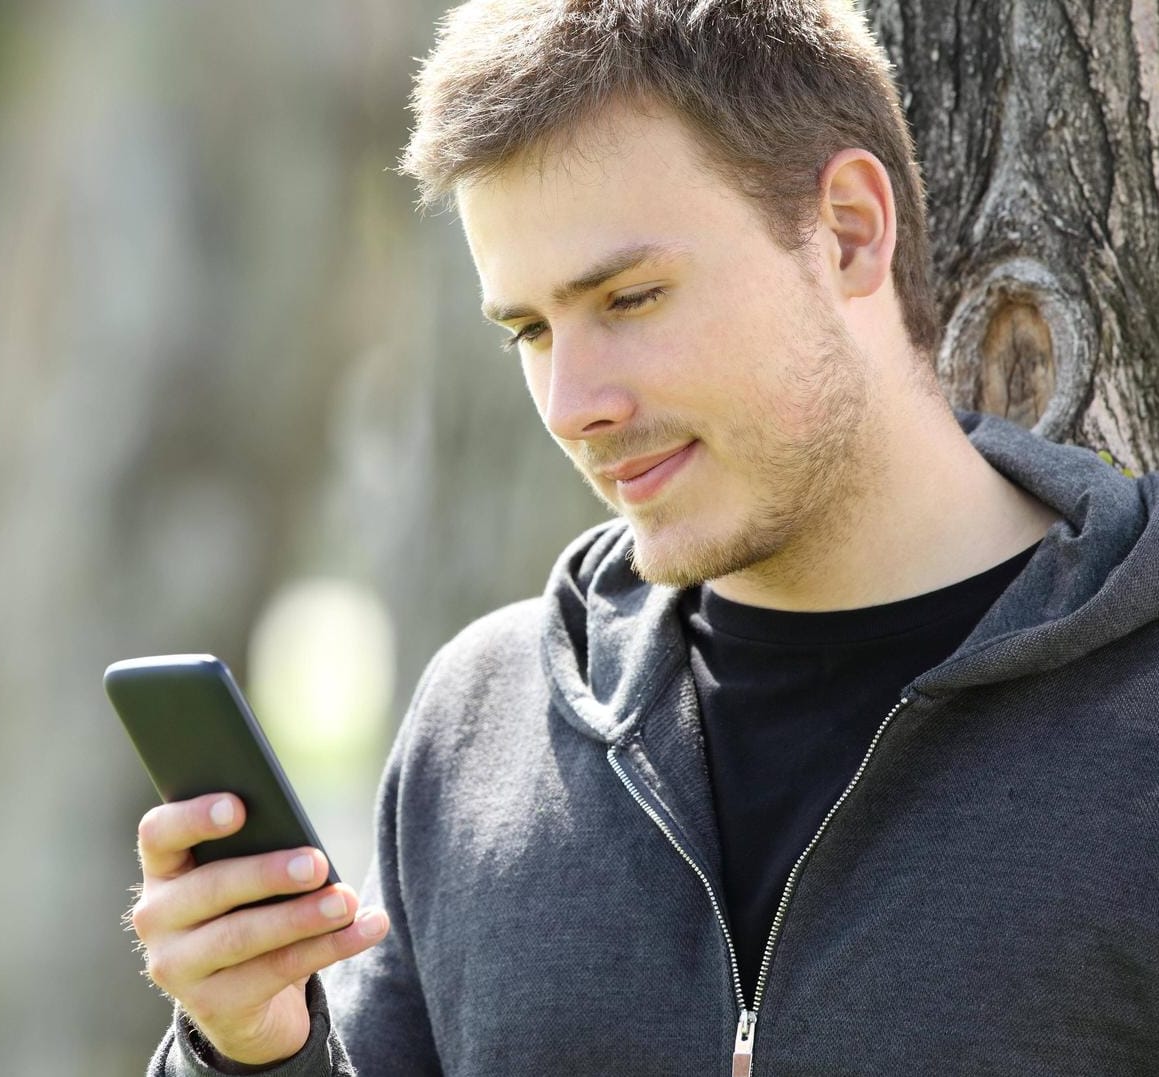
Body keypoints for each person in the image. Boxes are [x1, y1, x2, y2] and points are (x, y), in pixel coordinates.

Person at [130, 1, 1159, 1073]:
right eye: (529, 329)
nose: (572, 403)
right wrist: (247, 1049)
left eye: (630, 297)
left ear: (847, 231)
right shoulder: (479, 726)